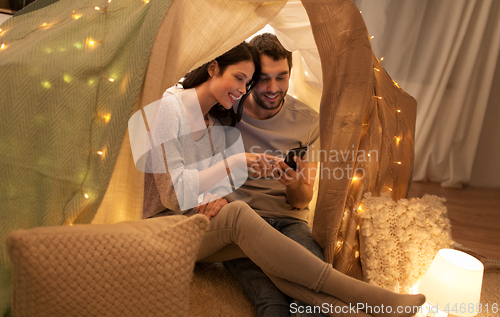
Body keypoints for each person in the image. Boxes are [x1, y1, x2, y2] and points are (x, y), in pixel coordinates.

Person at [145, 42, 425, 317]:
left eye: (247, 81)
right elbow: (172, 193)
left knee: (283, 275)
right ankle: (371, 296)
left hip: (204, 222)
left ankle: (370, 311)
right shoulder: (171, 107)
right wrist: (235, 163)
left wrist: (221, 195)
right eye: (243, 79)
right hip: (165, 231)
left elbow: (210, 183)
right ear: (213, 68)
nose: (244, 90)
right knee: (240, 215)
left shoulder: (216, 121)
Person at [223, 33, 325, 317]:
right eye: (264, 78)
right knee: (271, 303)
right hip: (240, 224)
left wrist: (294, 183)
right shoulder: (227, 111)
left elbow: (303, 201)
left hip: (289, 223)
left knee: (313, 297)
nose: (273, 88)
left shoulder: (308, 122)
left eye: (282, 77)